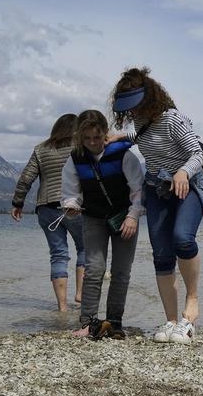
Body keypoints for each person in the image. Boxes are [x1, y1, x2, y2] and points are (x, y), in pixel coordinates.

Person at [110, 67, 203, 344]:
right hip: (157, 188)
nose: (132, 112)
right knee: (161, 254)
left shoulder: (173, 119)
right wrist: (119, 137)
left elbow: (197, 152)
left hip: (188, 184)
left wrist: (183, 172)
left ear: (150, 98)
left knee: (183, 239)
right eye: (127, 109)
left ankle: (192, 304)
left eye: (136, 106)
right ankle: (171, 322)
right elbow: (139, 137)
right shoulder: (140, 125)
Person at [61, 110, 143, 340]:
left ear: (105, 134)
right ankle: (88, 322)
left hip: (124, 217)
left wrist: (133, 216)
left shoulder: (124, 155)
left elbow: (138, 190)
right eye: (86, 138)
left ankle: (114, 321)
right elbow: (70, 192)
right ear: (80, 137)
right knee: (94, 269)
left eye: (97, 137)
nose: (92, 143)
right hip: (93, 218)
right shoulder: (75, 158)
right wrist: (70, 205)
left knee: (121, 271)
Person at [11, 114, 85, 311]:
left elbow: (27, 177)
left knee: (58, 254)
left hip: (46, 207)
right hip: (74, 206)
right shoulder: (80, 146)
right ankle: (80, 294)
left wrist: (18, 202)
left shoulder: (41, 149)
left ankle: (62, 306)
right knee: (85, 249)